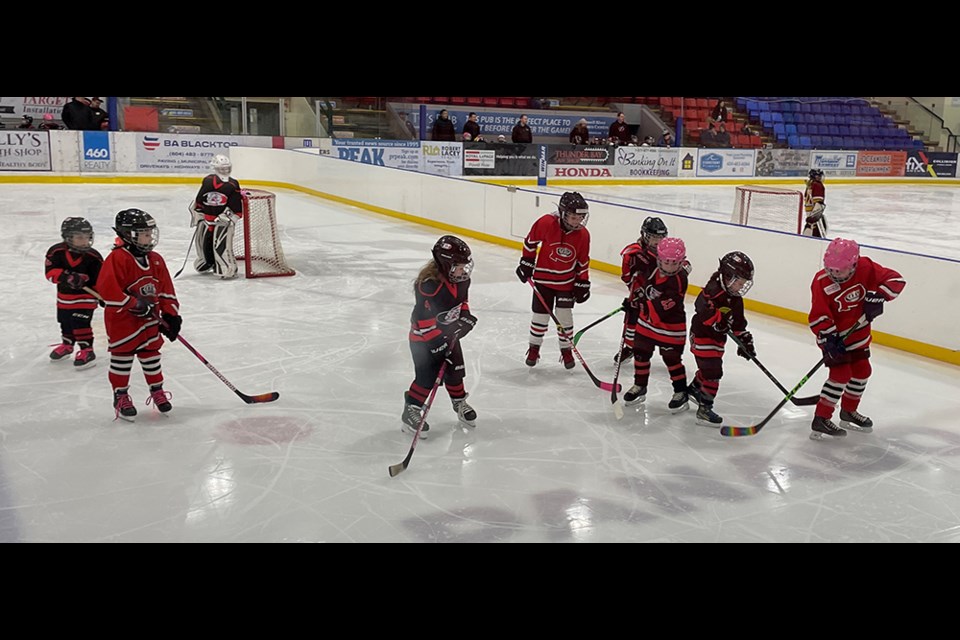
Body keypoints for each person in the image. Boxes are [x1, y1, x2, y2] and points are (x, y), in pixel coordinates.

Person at [808, 238, 905, 440]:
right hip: (833, 339)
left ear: (854, 263)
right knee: (841, 374)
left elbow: (897, 281)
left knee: (862, 371)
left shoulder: (866, 267)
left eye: (840, 270)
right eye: (831, 269)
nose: (835, 274)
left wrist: (878, 296)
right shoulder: (821, 282)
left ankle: (848, 411)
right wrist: (829, 338)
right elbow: (818, 315)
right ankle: (821, 418)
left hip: (858, 335)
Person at [97, 209, 181, 421]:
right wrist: (133, 303)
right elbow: (107, 291)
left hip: (149, 321)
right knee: (122, 359)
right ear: (127, 235)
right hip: (122, 322)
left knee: (151, 355)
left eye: (150, 232)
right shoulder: (117, 258)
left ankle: (157, 391)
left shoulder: (156, 260)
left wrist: (171, 315)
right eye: (142, 233)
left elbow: (166, 291)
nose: (149, 237)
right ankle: (121, 395)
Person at [403, 235, 478, 438]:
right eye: (459, 267)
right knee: (427, 377)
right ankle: (411, 409)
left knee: (456, 371)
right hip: (423, 339)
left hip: (448, 333)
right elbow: (422, 319)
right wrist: (436, 345)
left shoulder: (462, 280)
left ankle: (459, 402)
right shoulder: (428, 285)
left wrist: (465, 318)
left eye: (465, 266)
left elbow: (462, 302)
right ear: (446, 264)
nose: (464, 271)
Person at [516, 192, 591, 370]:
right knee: (540, 316)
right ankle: (534, 348)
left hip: (566, 283)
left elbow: (583, 260)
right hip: (543, 280)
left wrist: (583, 282)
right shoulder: (545, 223)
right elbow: (530, 242)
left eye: (580, 217)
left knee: (565, 317)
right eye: (573, 217)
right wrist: (526, 262)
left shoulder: (583, 234)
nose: (576, 222)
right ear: (563, 213)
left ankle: (566, 350)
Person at [687, 252, 756, 427]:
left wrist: (745, 341)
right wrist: (717, 321)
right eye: (739, 282)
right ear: (727, 276)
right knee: (713, 372)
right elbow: (701, 309)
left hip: (717, 341)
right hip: (702, 336)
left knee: (708, 369)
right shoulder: (712, 291)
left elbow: (738, 324)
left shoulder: (736, 299)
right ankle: (705, 409)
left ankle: (695, 389)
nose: (741, 286)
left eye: (743, 283)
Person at [622, 236, 690, 412]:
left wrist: (639, 304)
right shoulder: (653, 269)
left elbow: (661, 309)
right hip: (647, 325)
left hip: (670, 328)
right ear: (659, 259)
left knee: (672, 360)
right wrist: (636, 299)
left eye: (675, 263)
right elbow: (646, 290)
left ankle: (681, 392)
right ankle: (640, 385)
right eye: (667, 262)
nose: (670, 267)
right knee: (641, 354)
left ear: (681, 262)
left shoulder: (679, 280)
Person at [44, 217, 104, 369]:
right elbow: (50, 273)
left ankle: (87, 349)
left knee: (80, 323)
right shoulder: (56, 252)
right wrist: (66, 277)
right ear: (68, 237)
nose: (85, 241)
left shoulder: (93, 257)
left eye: (87, 237)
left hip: (86, 299)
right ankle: (67, 345)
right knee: (65, 322)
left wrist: (103, 295)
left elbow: (100, 280)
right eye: (79, 237)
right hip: (64, 298)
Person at [616, 216, 668, 365]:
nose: (657, 242)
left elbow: (683, 265)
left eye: (660, 238)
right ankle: (630, 347)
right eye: (653, 238)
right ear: (645, 235)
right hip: (639, 296)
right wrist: (637, 291)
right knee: (632, 322)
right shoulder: (633, 252)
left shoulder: (667, 252)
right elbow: (626, 276)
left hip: (660, 297)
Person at [190, 154, 244, 278]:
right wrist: (197, 213)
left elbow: (236, 207)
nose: (225, 171)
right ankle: (206, 262)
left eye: (226, 168)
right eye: (222, 169)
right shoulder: (208, 181)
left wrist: (228, 217)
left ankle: (226, 268)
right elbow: (200, 199)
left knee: (222, 245)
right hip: (206, 220)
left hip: (222, 221)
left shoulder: (233, 184)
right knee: (203, 243)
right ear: (215, 168)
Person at [802, 168, 827, 237]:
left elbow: (818, 203)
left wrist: (812, 218)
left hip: (814, 220)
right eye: (818, 176)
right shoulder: (816, 185)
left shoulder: (813, 185)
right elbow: (818, 203)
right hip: (814, 221)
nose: (820, 177)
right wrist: (813, 218)